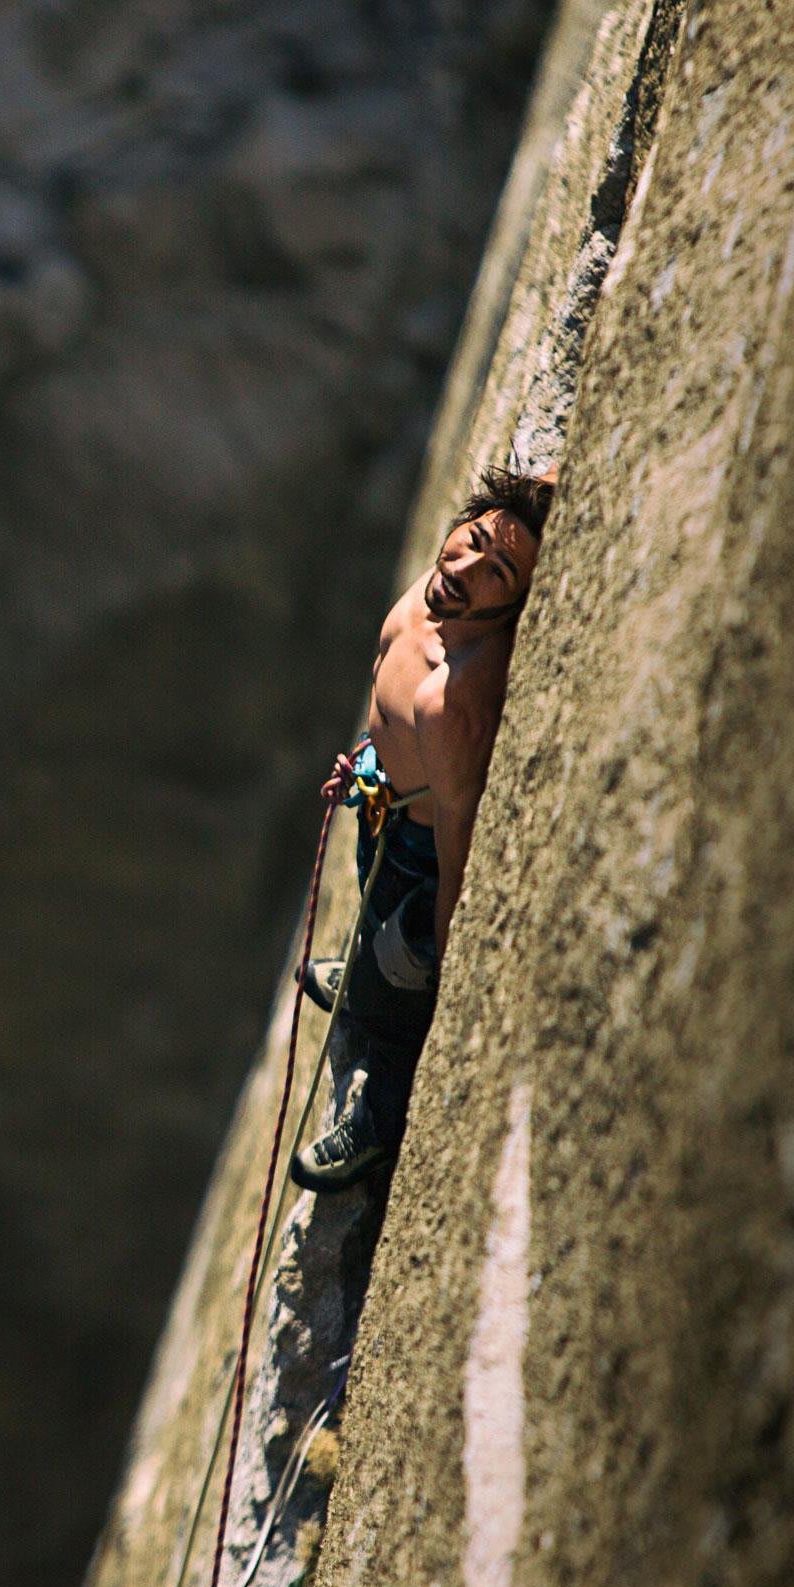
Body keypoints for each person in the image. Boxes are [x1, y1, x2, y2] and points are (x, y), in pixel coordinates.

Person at [290, 466, 552, 1192]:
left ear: (517, 601)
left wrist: (436, 954)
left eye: (497, 571)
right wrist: (372, 764)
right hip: (381, 810)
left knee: (396, 1007)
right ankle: (373, 971)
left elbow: (457, 840)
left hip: (416, 857)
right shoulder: (433, 596)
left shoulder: (454, 693)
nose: (463, 568)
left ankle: (377, 1120)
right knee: (371, 921)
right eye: (469, 541)